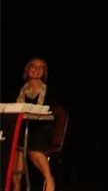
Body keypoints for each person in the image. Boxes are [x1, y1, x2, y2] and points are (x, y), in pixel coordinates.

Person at [11, 58, 61, 191]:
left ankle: (49, 179)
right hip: (25, 127)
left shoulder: (49, 90)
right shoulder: (20, 90)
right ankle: (16, 186)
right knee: (16, 146)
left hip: (43, 127)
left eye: (41, 68)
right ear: (27, 69)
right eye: (33, 66)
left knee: (33, 149)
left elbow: (53, 112)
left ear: (44, 72)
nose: (37, 70)